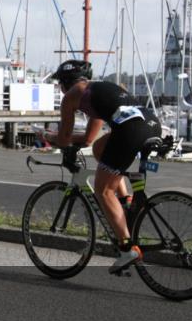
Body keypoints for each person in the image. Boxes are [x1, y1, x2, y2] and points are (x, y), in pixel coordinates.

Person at [43, 59, 162, 274]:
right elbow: (89, 139)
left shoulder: (72, 96)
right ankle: (125, 200)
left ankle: (127, 249)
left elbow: (64, 138)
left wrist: (47, 136)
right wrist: (67, 140)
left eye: (60, 85)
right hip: (151, 123)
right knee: (100, 148)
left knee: (103, 190)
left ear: (65, 84)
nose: (60, 90)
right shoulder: (99, 91)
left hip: (130, 130)